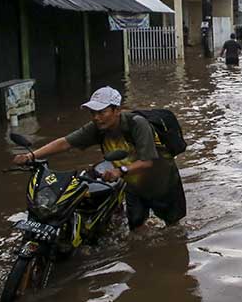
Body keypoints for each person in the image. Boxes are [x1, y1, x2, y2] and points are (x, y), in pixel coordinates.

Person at [11, 86, 186, 231]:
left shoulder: (137, 124)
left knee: (174, 230)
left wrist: (120, 170)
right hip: (134, 187)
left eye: (101, 112)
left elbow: (147, 161)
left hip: (163, 183)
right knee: (136, 232)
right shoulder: (97, 127)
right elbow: (65, 143)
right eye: (92, 112)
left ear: (116, 110)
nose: (96, 117)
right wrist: (31, 155)